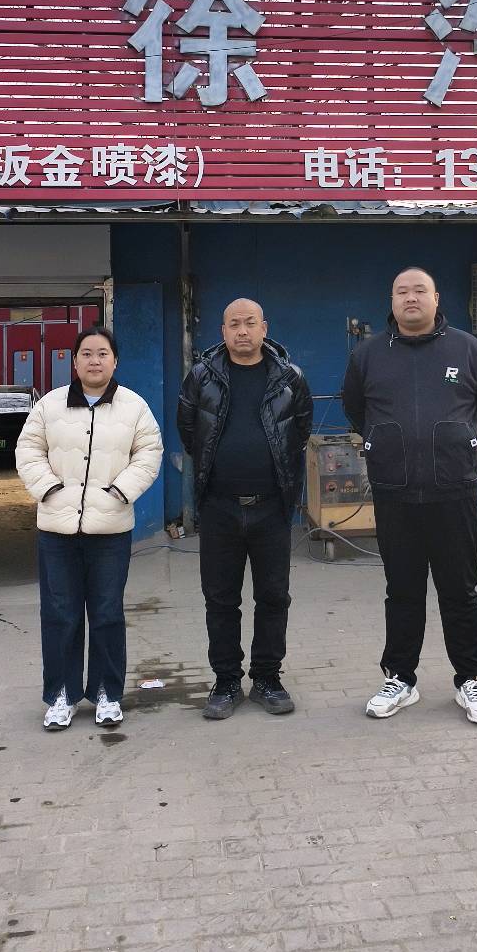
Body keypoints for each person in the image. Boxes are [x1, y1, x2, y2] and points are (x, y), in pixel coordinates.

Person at [342, 267, 477, 726]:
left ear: (436, 299)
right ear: (391, 301)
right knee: (402, 591)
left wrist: (458, 444)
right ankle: (400, 679)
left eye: (419, 291)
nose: (410, 298)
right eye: (401, 292)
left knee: (460, 591)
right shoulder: (368, 355)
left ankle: (471, 681)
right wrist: (388, 445)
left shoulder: (469, 350)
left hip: (454, 492)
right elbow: (356, 410)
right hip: (394, 493)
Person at [16, 326, 163, 731]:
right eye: (86, 353)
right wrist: (49, 489)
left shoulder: (134, 407)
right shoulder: (50, 405)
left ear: (115, 361)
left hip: (110, 530)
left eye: (102, 353)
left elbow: (149, 453)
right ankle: (61, 696)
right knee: (60, 614)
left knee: (107, 613)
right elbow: (28, 450)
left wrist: (120, 492)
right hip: (56, 531)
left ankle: (106, 693)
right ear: (75, 361)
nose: (94, 361)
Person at [177, 298, 313, 720]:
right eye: (233, 324)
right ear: (223, 331)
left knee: (273, 597)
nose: (242, 331)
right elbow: (189, 431)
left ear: (263, 328)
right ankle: (227, 681)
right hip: (219, 508)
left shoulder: (289, 378)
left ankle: (268, 678)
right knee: (220, 599)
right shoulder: (201, 377)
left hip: (271, 508)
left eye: (249, 323)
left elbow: (300, 432)